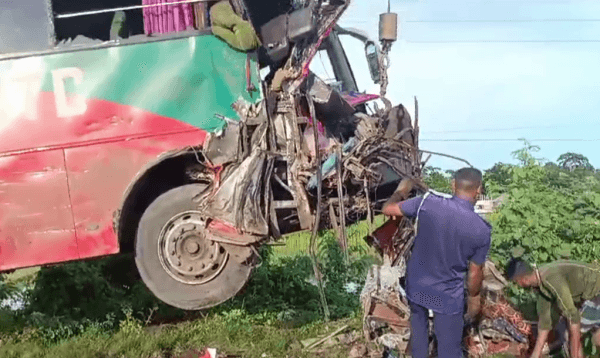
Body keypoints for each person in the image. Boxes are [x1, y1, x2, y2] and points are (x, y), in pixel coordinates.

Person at [382, 168, 491, 358]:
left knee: (419, 335)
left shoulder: (427, 202)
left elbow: (387, 209)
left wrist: (401, 191)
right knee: (449, 349)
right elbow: (475, 273)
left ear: (453, 185)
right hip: (447, 297)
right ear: (478, 190)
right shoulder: (481, 229)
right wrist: (474, 300)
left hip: (417, 287)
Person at [507, 258, 600, 358]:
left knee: (572, 335)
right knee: (595, 338)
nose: (518, 285)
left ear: (522, 280)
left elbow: (573, 316)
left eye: (516, 282)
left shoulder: (550, 279)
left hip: (596, 291)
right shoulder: (541, 285)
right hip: (591, 296)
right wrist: (535, 355)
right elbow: (544, 325)